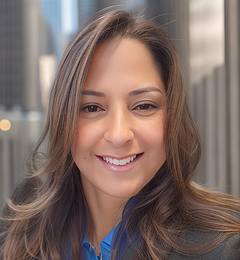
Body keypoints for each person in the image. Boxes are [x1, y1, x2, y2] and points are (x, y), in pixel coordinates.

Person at [0, 8, 240, 260]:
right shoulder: (20, 224)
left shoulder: (222, 249)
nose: (118, 134)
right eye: (92, 108)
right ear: (64, 119)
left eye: (144, 106)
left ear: (172, 117)